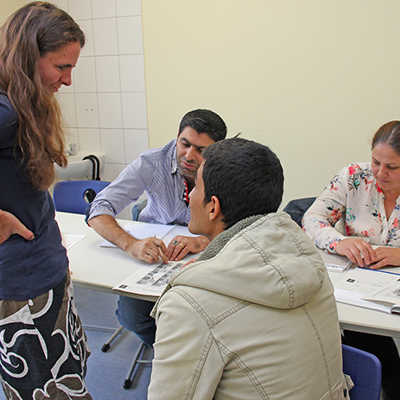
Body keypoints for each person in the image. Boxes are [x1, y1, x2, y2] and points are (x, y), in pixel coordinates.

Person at [148, 138, 348, 400]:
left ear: (213, 206)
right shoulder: (307, 257)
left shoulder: (188, 304)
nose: (192, 194)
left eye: (196, 186)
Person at [0, 2, 92, 399]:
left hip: (43, 273)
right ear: (28, 57)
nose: (68, 81)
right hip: (22, 286)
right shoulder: (5, 113)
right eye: (61, 67)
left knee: (67, 377)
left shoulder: (20, 106)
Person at [86, 109, 227, 345]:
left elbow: (243, 223)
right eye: (185, 144)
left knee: (205, 315)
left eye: (201, 150)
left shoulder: (225, 168)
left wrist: (206, 240)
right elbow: (98, 209)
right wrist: (130, 244)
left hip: (204, 253)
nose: (189, 156)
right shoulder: (151, 162)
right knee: (132, 317)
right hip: (155, 250)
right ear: (177, 137)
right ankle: (165, 350)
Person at [303, 120, 400, 400]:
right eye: (376, 161)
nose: (380, 172)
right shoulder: (355, 176)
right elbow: (312, 219)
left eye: (392, 167)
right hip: (360, 290)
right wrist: (341, 241)